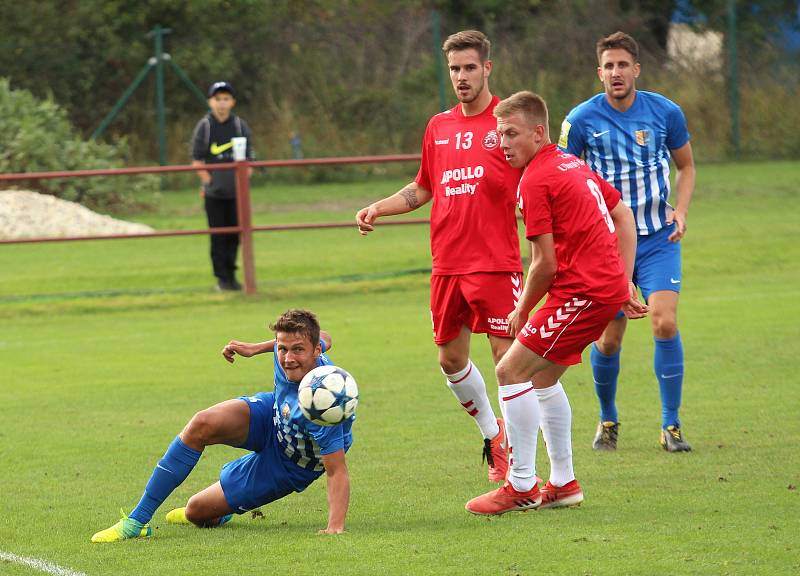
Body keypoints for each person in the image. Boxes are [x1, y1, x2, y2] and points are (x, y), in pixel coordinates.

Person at [465, 91, 646, 515]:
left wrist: (521, 310)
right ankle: (564, 483)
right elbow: (623, 216)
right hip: (597, 289)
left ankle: (521, 485)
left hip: (581, 291)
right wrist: (622, 281)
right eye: (498, 134)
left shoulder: (536, 179)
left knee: (510, 369)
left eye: (510, 133)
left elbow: (543, 264)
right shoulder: (572, 163)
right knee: (542, 379)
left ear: (538, 132)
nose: (502, 143)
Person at [356, 30, 522, 483]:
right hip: (447, 264)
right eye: (454, 69)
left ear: (487, 67)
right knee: (450, 361)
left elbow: (538, 176)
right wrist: (380, 207)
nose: (462, 77)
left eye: (470, 67)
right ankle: (494, 435)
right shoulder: (439, 126)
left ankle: (522, 471)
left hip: (496, 262)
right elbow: (423, 188)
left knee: (508, 364)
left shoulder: (509, 120)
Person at [91, 309, 354, 541]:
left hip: (288, 465)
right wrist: (255, 348)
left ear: (316, 352)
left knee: (196, 512)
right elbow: (325, 336)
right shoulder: (294, 350)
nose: (287, 358)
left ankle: (220, 511)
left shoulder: (323, 408)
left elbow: (336, 471)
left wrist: (335, 527)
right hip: (272, 417)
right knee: (202, 423)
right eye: (282, 348)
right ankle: (137, 521)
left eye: (298, 350)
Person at [558, 31, 696, 452]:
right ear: (598, 72)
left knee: (664, 321)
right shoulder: (580, 120)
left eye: (623, 65)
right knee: (608, 338)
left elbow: (686, 167)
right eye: (608, 66)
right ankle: (607, 419)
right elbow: (567, 179)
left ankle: (671, 426)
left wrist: (682, 210)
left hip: (657, 238)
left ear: (636, 69)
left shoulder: (665, 112)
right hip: (608, 245)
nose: (616, 73)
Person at [191, 81, 255, 292]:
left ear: (232, 102)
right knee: (218, 236)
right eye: (217, 99)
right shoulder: (205, 126)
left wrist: (241, 184)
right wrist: (211, 182)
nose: (222, 103)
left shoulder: (239, 126)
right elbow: (197, 161)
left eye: (226, 99)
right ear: (210, 101)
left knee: (235, 237)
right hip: (214, 195)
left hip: (237, 194)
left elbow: (249, 161)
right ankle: (222, 279)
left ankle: (233, 276)